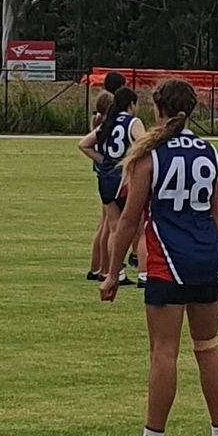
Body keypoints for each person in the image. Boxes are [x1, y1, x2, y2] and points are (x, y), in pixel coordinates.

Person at [100, 77, 218, 436]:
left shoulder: (149, 155)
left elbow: (129, 221)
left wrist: (112, 273)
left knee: (163, 351)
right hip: (208, 260)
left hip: (167, 262)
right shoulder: (210, 152)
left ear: (157, 109)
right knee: (207, 346)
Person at [79, 76, 140, 282]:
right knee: (128, 226)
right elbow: (144, 144)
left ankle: (104, 270)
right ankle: (120, 270)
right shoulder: (130, 122)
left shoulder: (107, 121)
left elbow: (84, 144)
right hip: (121, 177)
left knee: (109, 226)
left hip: (105, 176)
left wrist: (104, 160)